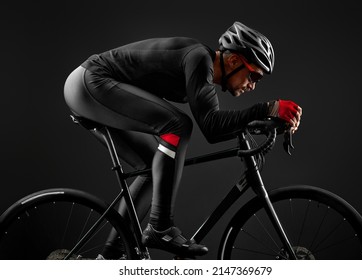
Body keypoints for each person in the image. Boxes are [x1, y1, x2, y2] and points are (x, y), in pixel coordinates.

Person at [63, 21, 302, 258]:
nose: (253, 85)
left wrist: (265, 123)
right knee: (178, 125)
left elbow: (217, 125)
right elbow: (211, 126)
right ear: (234, 61)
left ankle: (112, 254)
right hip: (90, 82)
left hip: (89, 87)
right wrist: (267, 108)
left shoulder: (202, 69)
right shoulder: (199, 59)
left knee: (150, 166)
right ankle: (160, 227)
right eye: (254, 76)